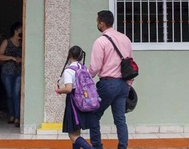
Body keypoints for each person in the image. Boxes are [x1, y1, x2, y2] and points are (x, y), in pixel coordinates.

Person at [89, 10, 134, 149]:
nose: (97, 24)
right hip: (123, 84)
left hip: (108, 84)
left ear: (102, 23)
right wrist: (129, 84)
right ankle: (122, 146)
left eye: (97, 22)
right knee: (120, 119)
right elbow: (130, 63)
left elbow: (95, 66)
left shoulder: (101, 41)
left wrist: (87, 78)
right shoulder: (125, 39)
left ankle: (97, 146)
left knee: (94, 115)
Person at [55, 45, 93, 149]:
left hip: (73, 102)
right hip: (83, 101)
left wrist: (58, 90)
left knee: (72, 135)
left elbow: (68, 89)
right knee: (77, 132)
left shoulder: (69, 70)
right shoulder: (84, 68)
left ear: (69, 55)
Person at [0, 21, 22, 127]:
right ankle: (11, 115)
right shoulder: (7, 42)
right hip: (7, 72)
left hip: (19, 72)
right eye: (21, 29)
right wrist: (11, 58)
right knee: (10, 94)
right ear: (16, 31)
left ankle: (17, 117)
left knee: (16, 94)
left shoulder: (23, 43)